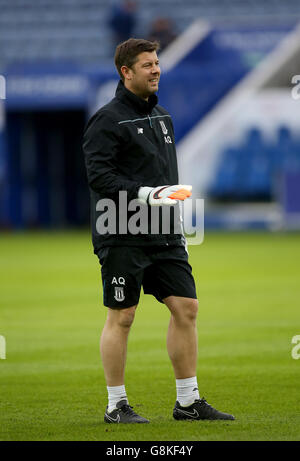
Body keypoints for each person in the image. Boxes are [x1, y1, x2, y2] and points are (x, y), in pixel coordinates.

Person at [83, 38, 235, 423]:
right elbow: (99, 176)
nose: (156, 70)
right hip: (121, 231)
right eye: (147, 64)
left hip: (165, 233)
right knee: (123, 315)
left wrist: (173, 212)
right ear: (126, 71)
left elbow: (166, 179)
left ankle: (188, 403)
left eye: (157, 63)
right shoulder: (106, 120)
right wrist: (148, 194)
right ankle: (116, 406)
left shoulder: (163, 116)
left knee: (186, 308)